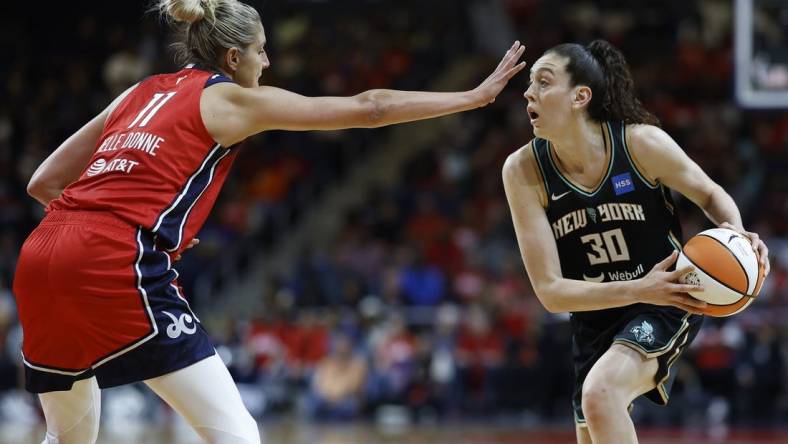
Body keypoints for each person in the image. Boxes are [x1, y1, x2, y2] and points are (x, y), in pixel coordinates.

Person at [12, 0, 526, 443]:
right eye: (261, 50)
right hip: (112, 258)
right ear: (233, 58)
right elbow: (369, 107)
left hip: (39, 255)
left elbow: (42, 183)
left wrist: (104, 226)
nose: (268, 60)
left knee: (66, 436)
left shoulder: (140, 91)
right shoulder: (231, 97)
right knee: (237, 434)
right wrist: (471, 97)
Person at [501, 40, 770, 444]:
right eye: (529, 84)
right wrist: (636, 286)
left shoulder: (640, 144)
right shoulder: (523, 170)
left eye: (543, 81)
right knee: (594, 420)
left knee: (601, 394)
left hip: (664, 301)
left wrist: (738, 234)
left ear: (580, 97)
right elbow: (551, 293)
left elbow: (711, 194)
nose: (528, 92)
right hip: (594, 316)